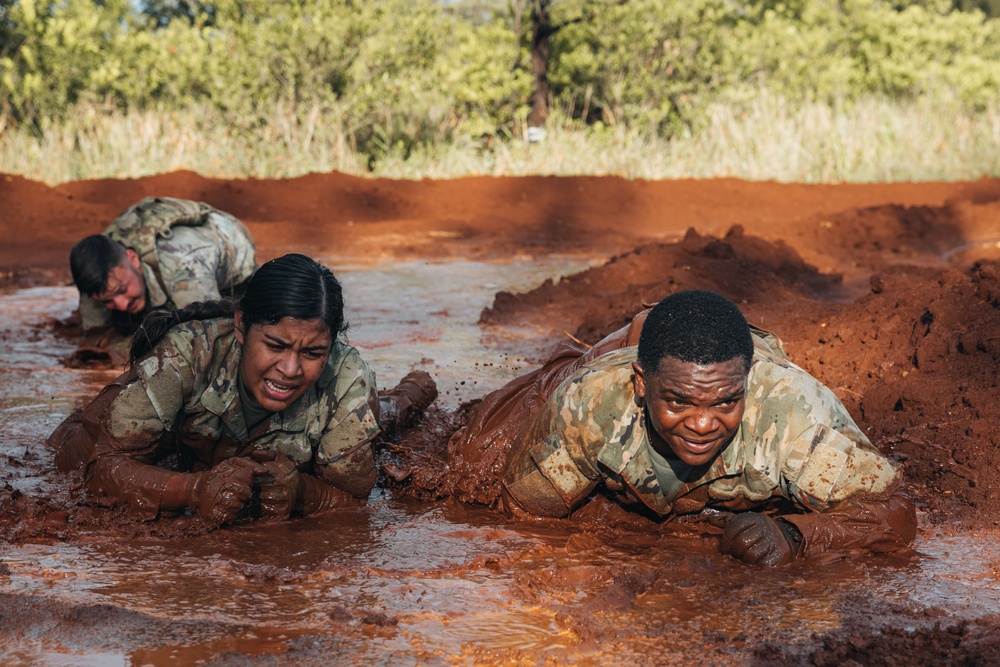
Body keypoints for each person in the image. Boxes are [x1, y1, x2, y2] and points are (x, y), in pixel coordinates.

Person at [450, 290, 916, 566]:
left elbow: (896, 511)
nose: (702, 423)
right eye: (679, 402)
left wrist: (794, 537)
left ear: (747, 386)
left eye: (726, 402)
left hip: (725, 358)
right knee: (478, 447)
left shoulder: (793, 417)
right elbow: (524, 516)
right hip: (604, 362)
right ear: (640, 384)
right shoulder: (592, 406)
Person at [48, 254, 436, 527]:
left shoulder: (347, 378)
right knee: (74, 446)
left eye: (313, 352)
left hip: (350, 407)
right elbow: (100, 469)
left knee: (384, 417)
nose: (290, 370)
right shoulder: (186, 355)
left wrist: (303, 493)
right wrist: (192, 489)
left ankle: (414, 390)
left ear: (331, 347)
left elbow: (354, 502)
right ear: (239, 327)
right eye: (275, 346)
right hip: (165, 433)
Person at [71, 196, 258, 335]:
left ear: (133, 259)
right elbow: (95, 335)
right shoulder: (99, 277)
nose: (121, 304)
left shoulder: (184, 266)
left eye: (122, 290)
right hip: (159, 263)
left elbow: (209, 335)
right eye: (107, 301)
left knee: (246, 313)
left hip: (227, 247)